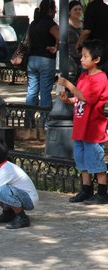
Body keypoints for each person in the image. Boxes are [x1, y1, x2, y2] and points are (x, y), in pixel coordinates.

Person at [57, 39, 108, 205]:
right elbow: (80, 99)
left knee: (96, 161)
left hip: (93, 129)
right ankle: (86, 190)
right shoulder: (83, 76)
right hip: (80, 127)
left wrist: (69, 86)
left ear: (97, 59)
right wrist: (68, 100)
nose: (81, 59)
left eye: (85, 56)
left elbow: (88, 98)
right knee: (81, 160)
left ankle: (102, 192)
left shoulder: (100, 78)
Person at [24, 0, 59, 128]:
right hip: (46, 59)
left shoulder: (34, 23)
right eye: (54, 9)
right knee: (45, 92)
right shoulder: (51, 24)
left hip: (32, 59)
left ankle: (28, 121)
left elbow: (28, 40)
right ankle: (45, 122)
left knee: (32, 91)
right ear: (50, 10)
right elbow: (61, 37)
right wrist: (56, 48)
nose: (55, 11)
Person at [68, 1, 83, 81]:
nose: (78, 11)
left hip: (83, 57)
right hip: (69, 57)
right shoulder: (64, 25)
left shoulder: (84, 24)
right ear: (69, 11)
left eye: (80, 9)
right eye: (75, 9)